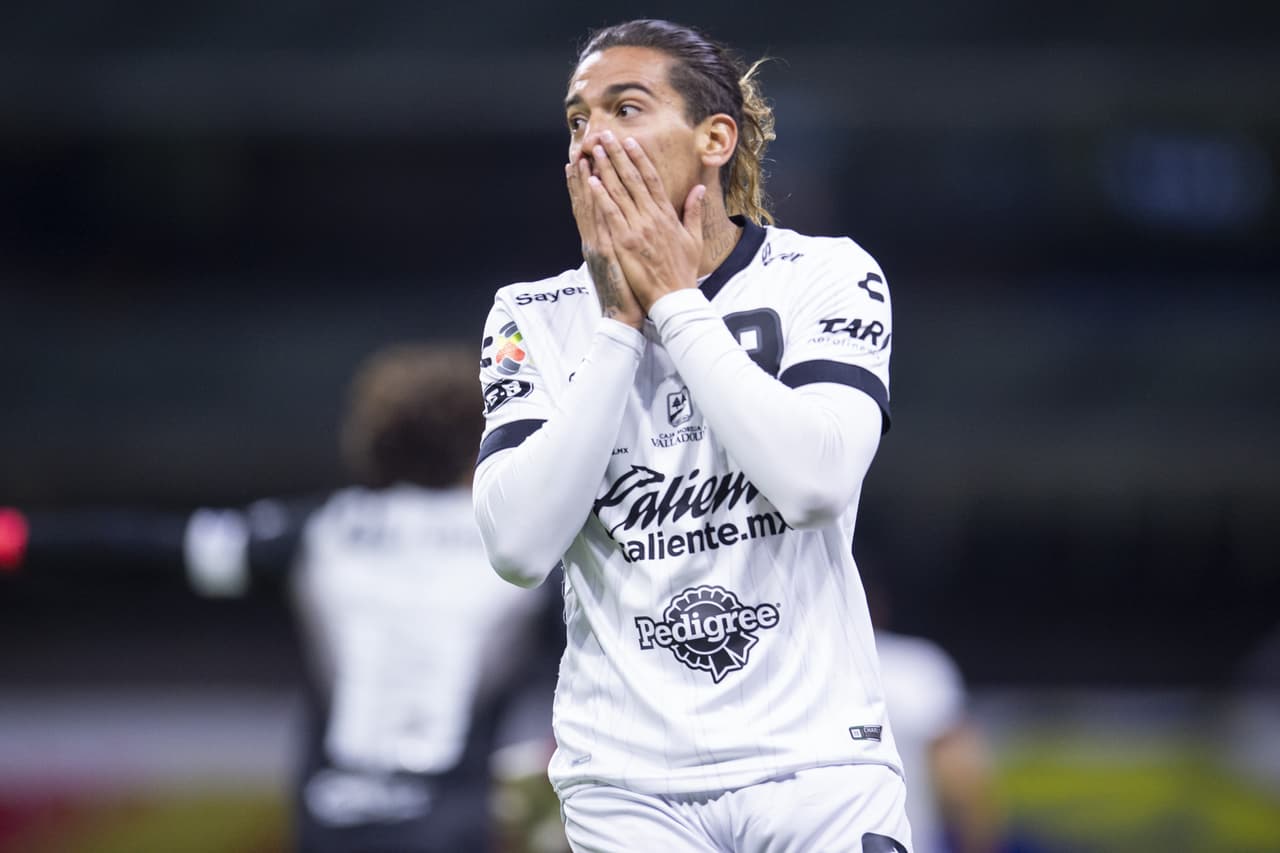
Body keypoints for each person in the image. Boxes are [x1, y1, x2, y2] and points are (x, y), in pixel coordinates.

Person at [472, 19, 907, 852]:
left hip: (817, 769)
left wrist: (675, 301)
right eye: (576, 120)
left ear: (715, 138)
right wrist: (617, 328)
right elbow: (520, 546)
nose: (591, 138)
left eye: (625, 108)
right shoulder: (530, 315)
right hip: (628, 785)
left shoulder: (827, 275)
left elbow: (815, 482)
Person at [2, 344, 559, 853]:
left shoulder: (318, 531)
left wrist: (19, 539)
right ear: (480, 445)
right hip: (450, 828)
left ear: (373, 442)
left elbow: (149, 551)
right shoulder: (519, 548)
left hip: (330, 827)